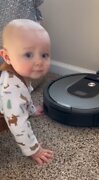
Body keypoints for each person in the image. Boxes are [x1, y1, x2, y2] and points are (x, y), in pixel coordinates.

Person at [0, 19, 53, 165]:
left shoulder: (20, 76)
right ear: (7, 57)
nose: (39, 62)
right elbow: (18, 125)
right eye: (28, 55)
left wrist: (31, 110)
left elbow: (25, 96)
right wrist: (34, 150)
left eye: (44, 55)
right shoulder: (11, 90)